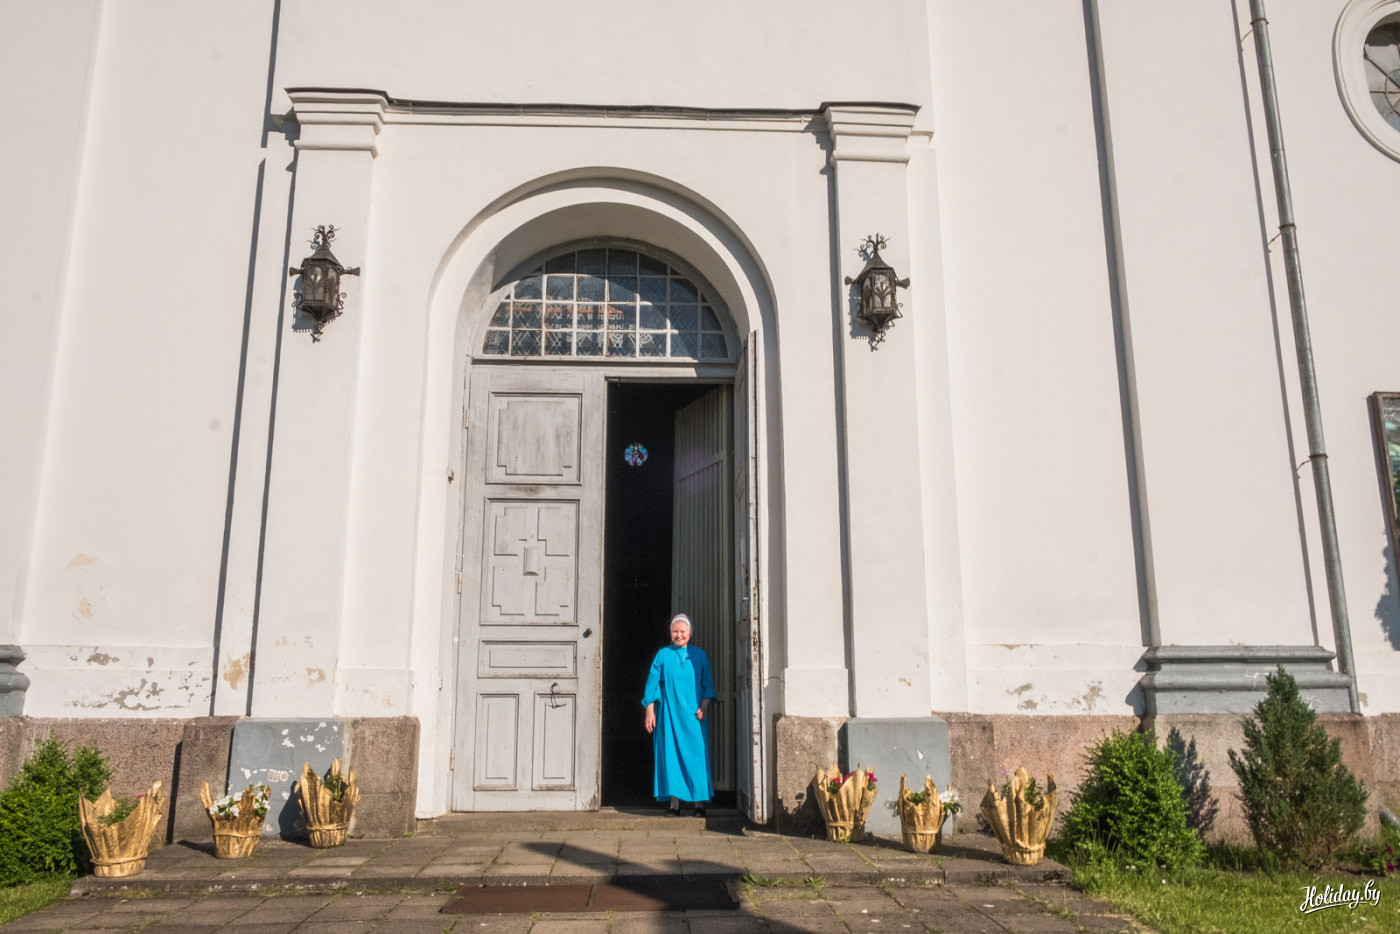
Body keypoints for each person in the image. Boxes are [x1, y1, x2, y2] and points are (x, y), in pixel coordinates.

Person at [642, 612, 716, 816]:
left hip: (694, 717)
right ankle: (674, 805)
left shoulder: (699, 655)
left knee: (696, 757)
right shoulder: (663, 655)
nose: (679, 635)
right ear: (670, 633)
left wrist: (704, 705)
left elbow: (708, 684)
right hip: (670, 716)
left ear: (690, 633)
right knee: (672, 757)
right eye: (675, 631)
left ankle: (699, 804)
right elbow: (652, 684)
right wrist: (650, 710)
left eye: (683, 631)